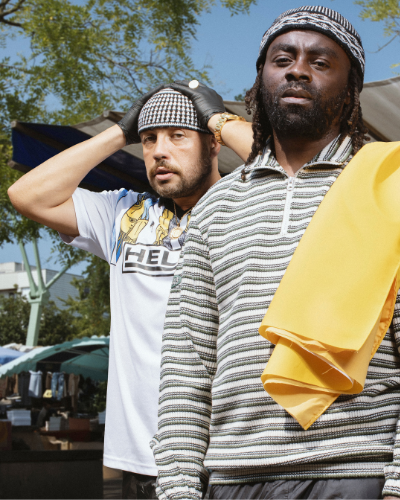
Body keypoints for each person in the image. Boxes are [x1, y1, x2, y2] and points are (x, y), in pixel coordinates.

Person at [151, 6, 400, 500]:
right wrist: (178, 488)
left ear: (351, 89)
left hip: (358, 474)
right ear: (261, 78)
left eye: (321, 62)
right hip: (232, 479)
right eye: (282, 59)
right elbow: (187, 364)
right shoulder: (217, 206)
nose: (298, 71)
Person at [7, 86, 251, 498]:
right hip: (145, 458)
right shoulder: (124, 213)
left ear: (213, 145)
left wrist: (221, 121)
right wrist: (120, 132)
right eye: (149, 138)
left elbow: (301, 174)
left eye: (177, 136)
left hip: (235, 456)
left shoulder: (251, 207)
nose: (159, 151)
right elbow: (27, 195)